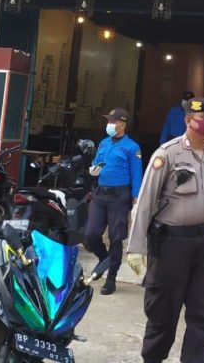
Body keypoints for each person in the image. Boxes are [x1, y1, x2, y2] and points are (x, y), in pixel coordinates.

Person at [127, 97, 204, 363]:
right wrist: (136, 247)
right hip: (172, 244)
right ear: (188, 121)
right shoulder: (167, 154)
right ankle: (153, 358)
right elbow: (145, 201)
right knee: (163, 313)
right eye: (203, 118)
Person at [85, 108, 143, 295]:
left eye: (113, 121)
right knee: (90, 235)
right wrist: (94, 169)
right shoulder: (104, 143)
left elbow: (136, 174)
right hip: (100, 193)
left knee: (116, 238)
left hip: (119, 195)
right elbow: (97, 161)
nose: (109, 124)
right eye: (108, 121)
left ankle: (111, 278)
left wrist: (136, 197)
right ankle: (104, 259)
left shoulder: (132, 147)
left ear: (122, 124)